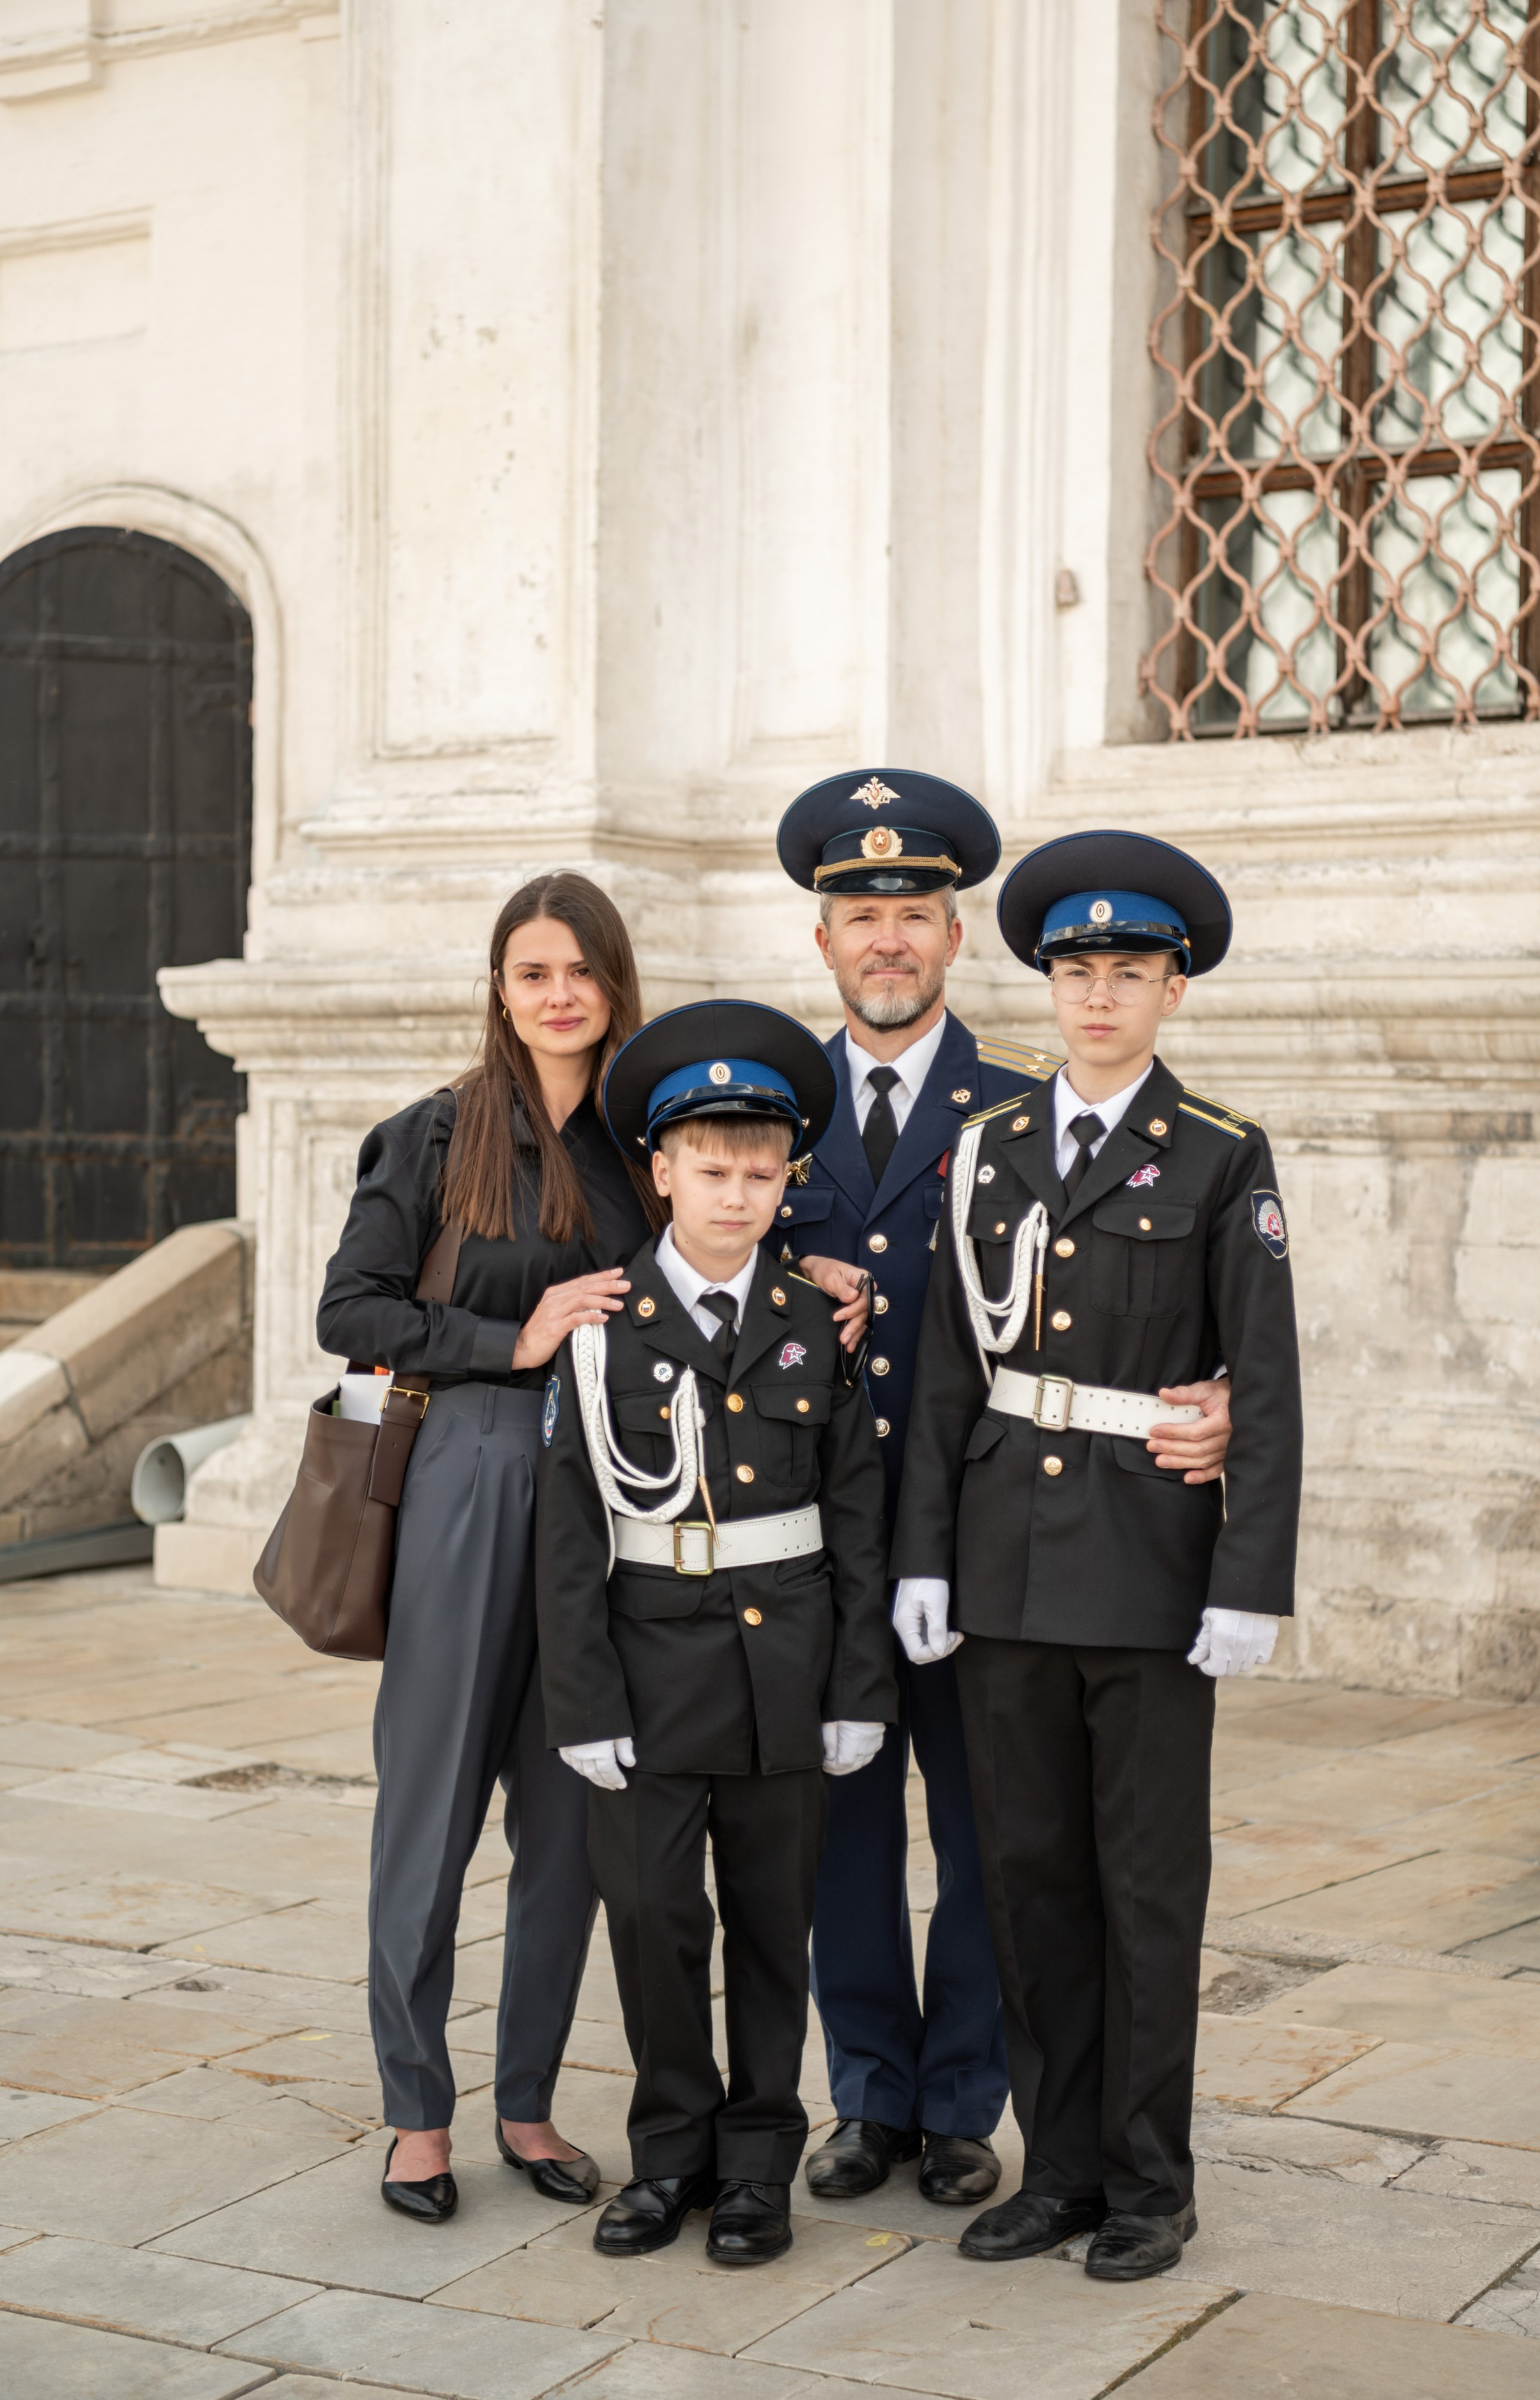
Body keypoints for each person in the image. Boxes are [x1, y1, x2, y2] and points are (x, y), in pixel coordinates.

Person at [771, 774, 1234, 2208]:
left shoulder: (1011, 1110)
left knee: (995, 1836)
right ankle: (867, 2094)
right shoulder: (759, 1106)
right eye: (861, 915)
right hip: (813, 1540)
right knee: (839, 1828)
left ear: (956, 935)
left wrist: (1208, 1397)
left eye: (912, 913)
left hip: (983, 1534)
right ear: (824, 939)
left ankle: (966, 2097)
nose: (887, 938)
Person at [889, 830, 1303, 2281]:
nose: (1097, 997)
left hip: (1144, 1569)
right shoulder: (988, 1150)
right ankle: (1055, 2167)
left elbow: (1264, 1371)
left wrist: (1247, 1575)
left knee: (1142, 1887)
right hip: (1002, 1560)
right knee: (1022, 1878)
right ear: (1047, 984)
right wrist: (921, 1553)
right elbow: (948, 1365)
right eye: (1075, 972)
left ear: (1170, 994)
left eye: (1127, 973)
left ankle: (1146, 2180)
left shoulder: (1215, 1154)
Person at [317, 872, 660, 2224]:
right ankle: (414, 2110)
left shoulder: (649, 1142)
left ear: (615, 985)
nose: (559, 993)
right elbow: (350, 1304)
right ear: (501, 988)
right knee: (430, 1812)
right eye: (532, 971)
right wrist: (503, 1339)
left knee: (570, 1819)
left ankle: (524, 2100)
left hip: (613, 1504)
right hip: (466, 1479)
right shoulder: (432, 1135)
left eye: (580, 969)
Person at [536, 1002, 898, 2267]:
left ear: (786, 1178)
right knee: (649, 1921)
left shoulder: (817, 1321)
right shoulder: (596, 1328)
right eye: (709, 1167)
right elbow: (569, 1533)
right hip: (643, 1666)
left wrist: (861, 1687)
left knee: (766, 1925)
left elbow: (854, 1515)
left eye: (758, 1171)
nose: (734, 1194)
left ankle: (755, 2169)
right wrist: (578, 1703)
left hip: (784, 1669)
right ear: (661, 1170)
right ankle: (668, 2156)